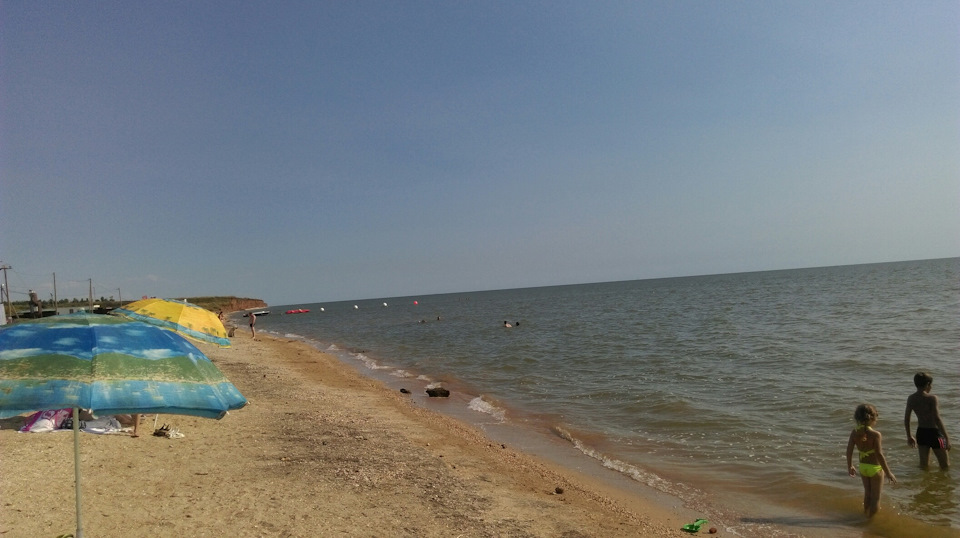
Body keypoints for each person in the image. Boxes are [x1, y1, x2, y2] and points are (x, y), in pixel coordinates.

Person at [846, 403, 897, 517]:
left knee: (867, 494)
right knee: (876, 498)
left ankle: (865, 514)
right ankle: (870, 520)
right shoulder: (875, 435)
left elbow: (849, 451)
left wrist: (850, 466)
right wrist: (888, 472)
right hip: (875, 469)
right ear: (872, 418)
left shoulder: (854, 433)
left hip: (863, 467)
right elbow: (879, 454)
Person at [905, 372, 950, 469]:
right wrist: (946, 438)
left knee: (924, 465)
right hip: (936, 434)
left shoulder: (911, 398)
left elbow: (907, 418)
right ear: (928, 384)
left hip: (921, 433)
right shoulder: (932, 398)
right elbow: (937, 419)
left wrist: (909, 436)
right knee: (945, 465)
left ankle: (924, 479)